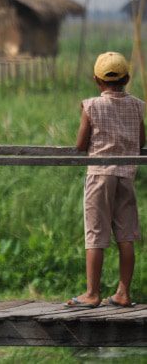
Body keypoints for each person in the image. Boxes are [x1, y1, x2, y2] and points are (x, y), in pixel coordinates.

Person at [66, 52, 144, 308]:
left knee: (96, 234)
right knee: (126, 235)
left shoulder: (91, 106)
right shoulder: (137, 105)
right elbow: (141, 141)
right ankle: (123, 292)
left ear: (96, 80)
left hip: (99, 176)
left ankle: (92, 293)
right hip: (126, 176)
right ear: (127, 78)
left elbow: (80, 144)